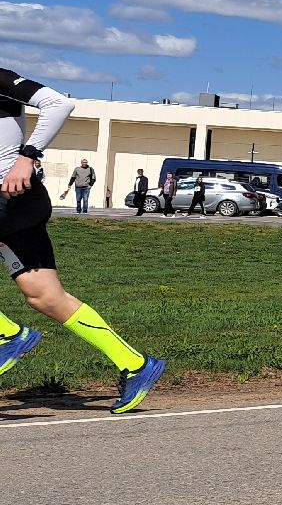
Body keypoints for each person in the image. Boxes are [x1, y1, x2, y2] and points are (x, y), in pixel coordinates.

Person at [0, 65, 166, 412]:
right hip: (14, 206)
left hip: (13, 195)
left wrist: (27, 158)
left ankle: (7, 336)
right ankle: (135, 364)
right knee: (45, 297)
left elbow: (58, 104)